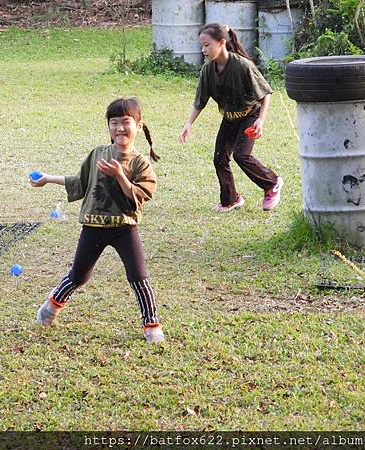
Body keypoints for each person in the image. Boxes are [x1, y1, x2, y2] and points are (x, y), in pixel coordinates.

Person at [30, 97, 164, 344]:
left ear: (138, 125)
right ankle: (51, 306)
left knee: (138, 275)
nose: (120, 128)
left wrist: (120, 175)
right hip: (93, 227)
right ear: (109, 127)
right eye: (114, 123)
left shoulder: (139, 163)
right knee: (79, 276)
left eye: (126, 122)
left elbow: (141, 195)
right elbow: (80, 183)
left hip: (124, 228)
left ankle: (151, 323)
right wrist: (48, 178)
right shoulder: (97, 155)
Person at [178, 23, 283, 212]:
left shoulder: (242, 65)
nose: (203, 50)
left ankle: (272, 183)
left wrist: (261, 120)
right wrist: (188, 124)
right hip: (230, 118)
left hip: (250, 115)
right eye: (201, 45)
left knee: (241, 155)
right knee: (219, 158)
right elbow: (200, 101)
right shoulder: (207, 71)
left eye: (207, 45)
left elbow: (265, 94)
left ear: (221, 43)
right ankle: (231, 199)